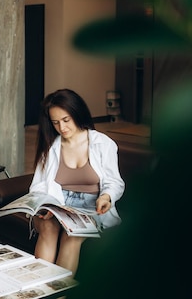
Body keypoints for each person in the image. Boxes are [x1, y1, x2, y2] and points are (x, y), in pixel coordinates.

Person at [30, 88, 125, 276]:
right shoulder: (50, 146)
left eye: (66, 120)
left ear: (77, 113)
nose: (62, 128)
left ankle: (58, 295)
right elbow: (39, 185)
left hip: (90, 206)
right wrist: (46, 205)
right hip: (57, 204)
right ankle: (38, 290)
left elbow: (115, 181)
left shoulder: (103, 144)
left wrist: (106, 196)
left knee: (72, 235)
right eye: (55, 123)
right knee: (48, 228)